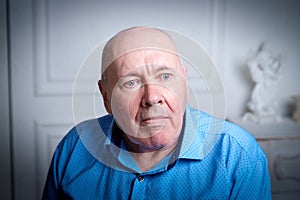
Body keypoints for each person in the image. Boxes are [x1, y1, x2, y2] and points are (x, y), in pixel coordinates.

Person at [42, 27, 271, 199]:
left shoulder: (238, 158)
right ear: (105, 97)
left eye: (165, 77)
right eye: (130, 82)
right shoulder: (75, 147)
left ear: (184, 80)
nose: (152, 97)